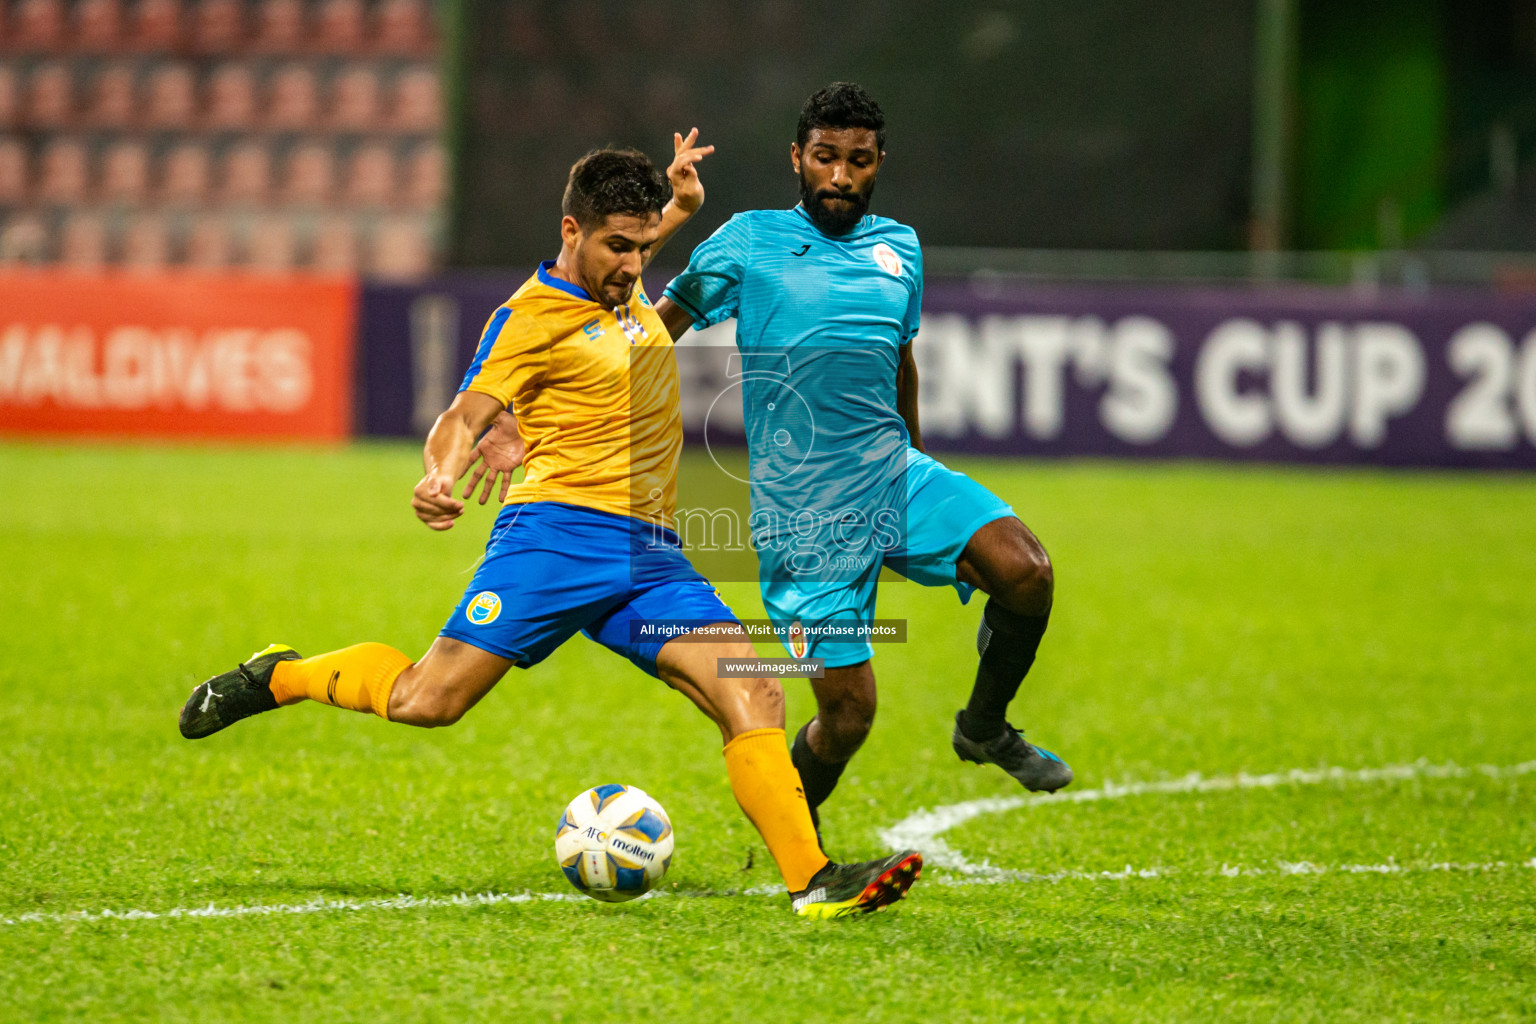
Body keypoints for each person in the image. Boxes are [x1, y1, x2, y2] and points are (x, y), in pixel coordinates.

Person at [177, 133, 921, 918]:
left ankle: (815, 883)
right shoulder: (528, 318)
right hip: (555, 539)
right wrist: (440, 469)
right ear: (572, 234)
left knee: (755, 690)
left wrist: (680, 208)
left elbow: (640, 238)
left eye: (642, 247)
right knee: (428, 700)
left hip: (652, 558)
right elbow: (464, 414)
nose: (634, 267)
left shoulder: (620, 277)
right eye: (616, 247)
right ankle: (281, 675)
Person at [652, 83, 1075, 842]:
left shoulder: (901, 247)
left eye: (858, 161)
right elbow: (658, 333)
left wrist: (916, 459)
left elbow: (901, 359)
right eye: (825, 159)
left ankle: (983, 726)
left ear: (880, 162)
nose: (840, 178)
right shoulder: (749, 241)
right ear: (797, 158)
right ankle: (793, 838)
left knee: (1027, 571)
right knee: (848, 717)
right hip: (802, 516)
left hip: (894, 473)